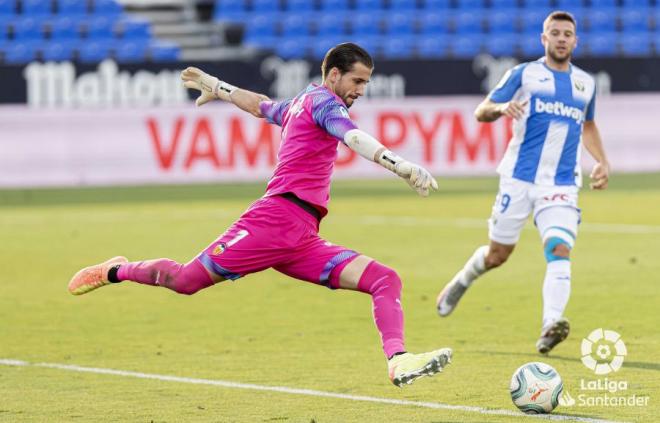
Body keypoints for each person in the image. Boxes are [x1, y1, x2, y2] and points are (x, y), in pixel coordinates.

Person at [68, 43, 452, 387]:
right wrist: (399, 164)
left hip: (302, 236)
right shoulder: (324, 104)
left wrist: (218, 87)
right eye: (357, 80)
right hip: (274, 221)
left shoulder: (302, 102)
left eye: (366, 83)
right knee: (185, 280)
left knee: (385, 278)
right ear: (334, 74)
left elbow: (262, 105)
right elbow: (351, 137)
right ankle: (114, 270)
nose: (361, 91)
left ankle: (399, 361)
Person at [435, 11, 610, 354]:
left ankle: (551, 324)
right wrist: (501, 110)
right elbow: (481, 110)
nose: (561, 38)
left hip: (560, 184)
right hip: (517, 179)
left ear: (575, 41)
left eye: (567, 34)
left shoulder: (585, 84)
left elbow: (587, 125)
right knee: (498, 255)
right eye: (555, 33)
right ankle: (464, 279)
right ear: (543, 39)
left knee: (559, 248)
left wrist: (602, 160)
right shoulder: (524, 74)